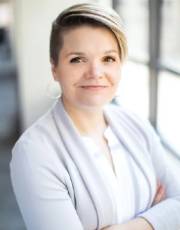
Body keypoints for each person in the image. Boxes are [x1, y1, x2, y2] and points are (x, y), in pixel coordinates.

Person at [10, 3, 180, 230]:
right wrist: (156, 217)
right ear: (54, 69)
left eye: (108, 58)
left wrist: (129, 227)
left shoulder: (136, 124)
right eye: (77, 59)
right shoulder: (33, 152)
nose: (95, 73)